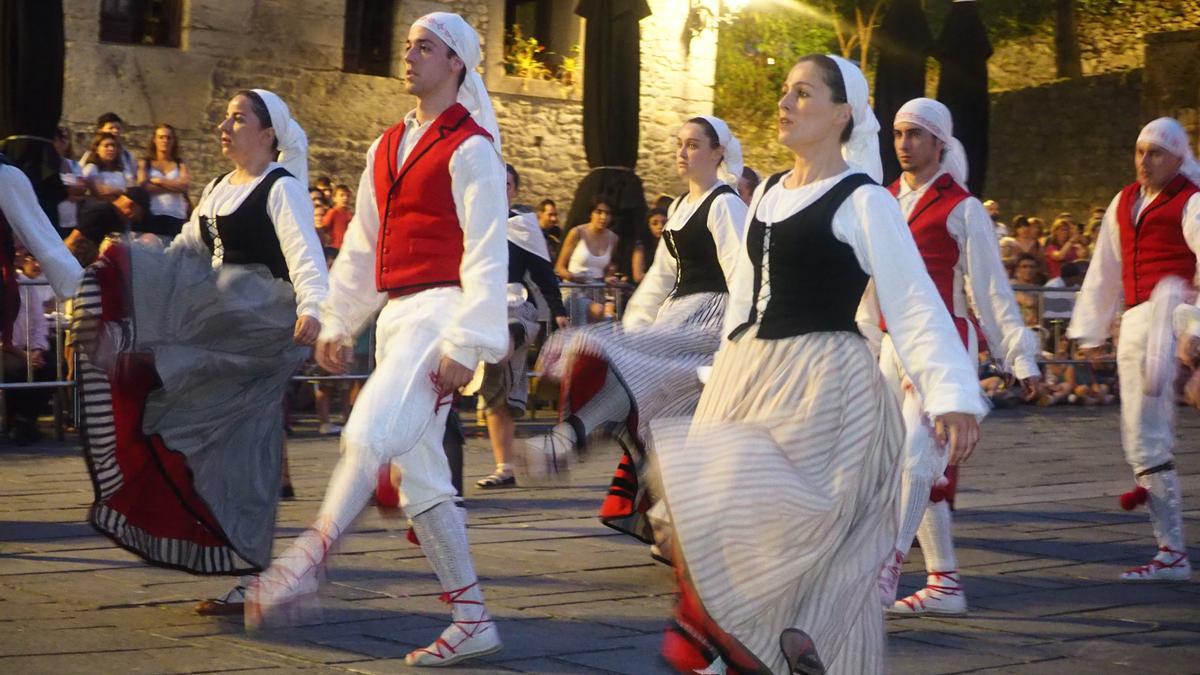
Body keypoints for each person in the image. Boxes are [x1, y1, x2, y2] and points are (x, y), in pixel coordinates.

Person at [650, 55, 984, 675]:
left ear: (843, 114)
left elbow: (913, 298)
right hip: (750, 371)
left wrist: (951, 392)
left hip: (823, 381)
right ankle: (750, 648)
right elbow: (746, 298)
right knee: (722, 521)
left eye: (802, 94)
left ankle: (773, 646)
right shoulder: (770, 191)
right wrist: (719, 374)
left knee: (791, 525)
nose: (785, 103)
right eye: (785, 92)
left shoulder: (863, 199)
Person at [245, 13, 507, 667]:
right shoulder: (386, 145)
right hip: (397, 317)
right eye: (408, 45)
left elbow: (486, 251)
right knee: (422, 480)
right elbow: (362, 244)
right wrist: (338, 319)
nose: (410, 54)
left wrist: (468, 341)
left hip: (443, 311)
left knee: (367, 432)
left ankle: (308, 558)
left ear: (457, 65)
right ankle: (472, 617)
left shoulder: (472, 148)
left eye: (426, 47)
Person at [72, 89, 328, 613]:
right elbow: (187, 250)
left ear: (268, 133)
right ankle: (244, 566)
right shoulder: (214, 188)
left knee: (237, 441)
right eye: (226, 117)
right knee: (215, 443)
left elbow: (305, 253)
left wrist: (314, 309)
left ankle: (251, 570)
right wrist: (135, 258)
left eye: (239, 118)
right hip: (223, 316)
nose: (225, 126)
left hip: (262, 323)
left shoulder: (281, 188)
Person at [520, 116, 748, 550]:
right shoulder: (681, 206)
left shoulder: (725, 204)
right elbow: (661, 277)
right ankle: (671, 525)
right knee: (651, 407)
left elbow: (742, 276)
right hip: (677, 317)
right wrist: (636, 327)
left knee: (635, 381)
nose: (683, 152)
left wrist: (736, 341)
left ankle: (566, 441)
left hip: (710, 324)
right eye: (680, 144)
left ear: (718, 152)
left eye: (694, 145)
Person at [870, 98, 1040, 617]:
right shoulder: (882, 200)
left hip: (943, 344)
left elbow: (990, 290)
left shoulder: (963, 208)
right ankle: (945, 583)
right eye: (898, 133)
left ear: (939, 142)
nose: (904, 144)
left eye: (915, 134)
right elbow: (869, 283)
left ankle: (887, 571)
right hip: (891, 346)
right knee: (902, 467)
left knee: (917, 461)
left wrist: (1021, 359)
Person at [1068, 117, 1198, 582]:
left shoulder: (1191, 201)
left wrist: (1195, 327)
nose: (1145, 161)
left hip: (1176, 313)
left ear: (1179, 157)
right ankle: (1171, 552)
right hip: (1139, 321)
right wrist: (1093, 332)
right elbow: (1105, 267)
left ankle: (1172, 553)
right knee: (1140, 435)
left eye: (1156, 153)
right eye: (1140, 151)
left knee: (1149, 436)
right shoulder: (1123, 202)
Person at [474, 163, 568, 489]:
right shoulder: (472, 223)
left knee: (505, 342)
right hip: (481, 310)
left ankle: (502, 343)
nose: (501, 189)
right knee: (493, 397)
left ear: (514, 190)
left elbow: (544, 274)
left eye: (507, 184)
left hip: (517, 310)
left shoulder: (523, 226)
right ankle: (506, 467)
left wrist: (558, 310)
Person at [3, 250, 59, 443]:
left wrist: (37, 350)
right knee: (17, 370)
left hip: (28, 348)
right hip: (6, 349)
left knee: (53, 367)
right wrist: (22, 355)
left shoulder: (26, 284)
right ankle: (15, 419)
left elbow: (39, 323)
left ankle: (26, 420)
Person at [555, 195, 619, 324]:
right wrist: (574, 277)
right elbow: (559, 268)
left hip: (598, 290)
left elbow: (608, 269)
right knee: (598, 310)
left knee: (610, 315)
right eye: (599, 212)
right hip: (574, 289)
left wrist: (609, 277)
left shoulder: (613, 238)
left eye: (607, 213)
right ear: (591, 213)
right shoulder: (576, 233)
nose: (603, 217)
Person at [137, 123, 191, 236]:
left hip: (176, 215)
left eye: (168, 138)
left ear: (173, 141)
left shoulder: (180, 164)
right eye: (161, 137)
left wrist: (160, 181)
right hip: (153, 214)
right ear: (154, 140)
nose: (165, 140)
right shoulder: (145, 163)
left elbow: (185, 186)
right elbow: (144, 186)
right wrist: (175, 186)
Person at [79, 112, 139, 179]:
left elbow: (133, 178)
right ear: (100, 131)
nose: (115, 131)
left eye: (118, 128)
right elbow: (80, 175)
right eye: (111, 128)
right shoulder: (90, 155)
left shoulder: (128, 156)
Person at [54, 126, 86, 237]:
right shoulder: (45, 165)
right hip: (53, 218)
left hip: (70, 220)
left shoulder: (73, 165)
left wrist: (63, 190)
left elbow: (80, 188)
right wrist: (67, 190)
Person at [81, 132, 130, 200]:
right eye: (106, 146)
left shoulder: (121, 169)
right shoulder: (92, 168)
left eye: (113, 146)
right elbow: (102, 192)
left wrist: (115, 191)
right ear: (97, 149)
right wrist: (121, 192)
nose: (111, 149)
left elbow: (131, 189)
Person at [630, 207, 666, 284]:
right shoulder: (641, 247)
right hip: (646, 287)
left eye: (664, 223)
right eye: (654, 224)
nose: (660, 227)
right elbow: (638, 276)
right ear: (647, 225)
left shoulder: (672, 246)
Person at [320, 183, 353, 249]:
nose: (345, 198)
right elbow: (324, 227)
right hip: (335, 247)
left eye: (348, 196)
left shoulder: (350, 214)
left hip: (348, 247)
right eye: (342, 195)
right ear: (334, 198)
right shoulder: (333, 212)